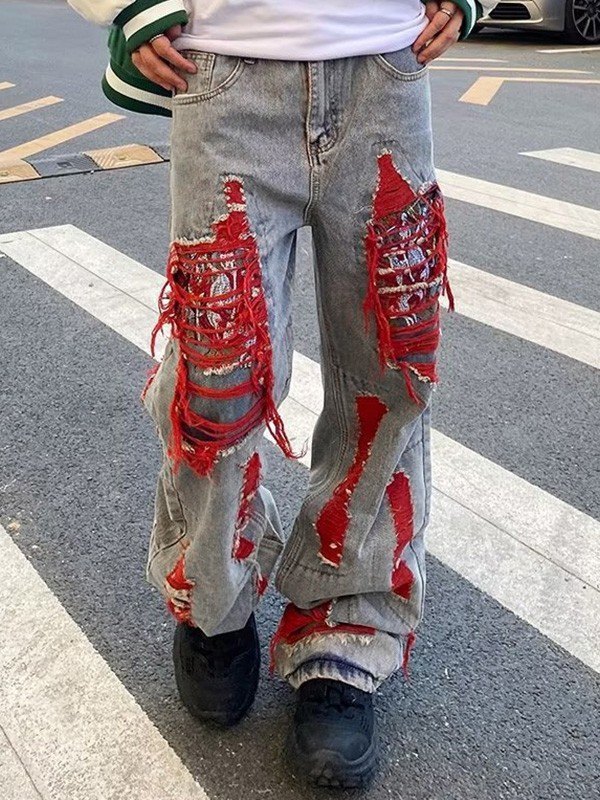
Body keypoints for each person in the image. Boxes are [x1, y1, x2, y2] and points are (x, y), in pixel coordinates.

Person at [69, 0, 496, 788]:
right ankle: (215, 601)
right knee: (217, 380)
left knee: (389, 373)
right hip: (221, 72)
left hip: (385, 70)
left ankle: (346, 632)